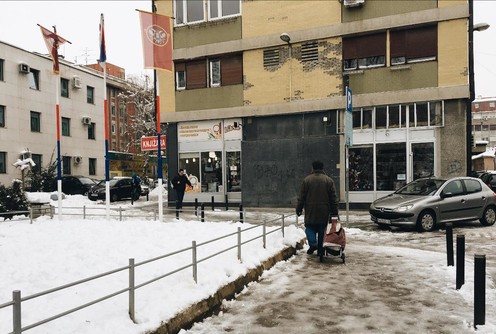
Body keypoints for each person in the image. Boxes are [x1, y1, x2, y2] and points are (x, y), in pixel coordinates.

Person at [296, 160, 339, 262]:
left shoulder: (307, 180)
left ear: (313, 168)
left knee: (310, 227)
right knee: (321, 230)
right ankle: (320, 251)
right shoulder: (329, 181)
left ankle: (313, 244)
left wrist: (299, 208)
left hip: (310, 210)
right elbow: (333, 198)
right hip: (324, 210)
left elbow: (302, 197)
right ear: (322, 168)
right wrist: (335, 211)